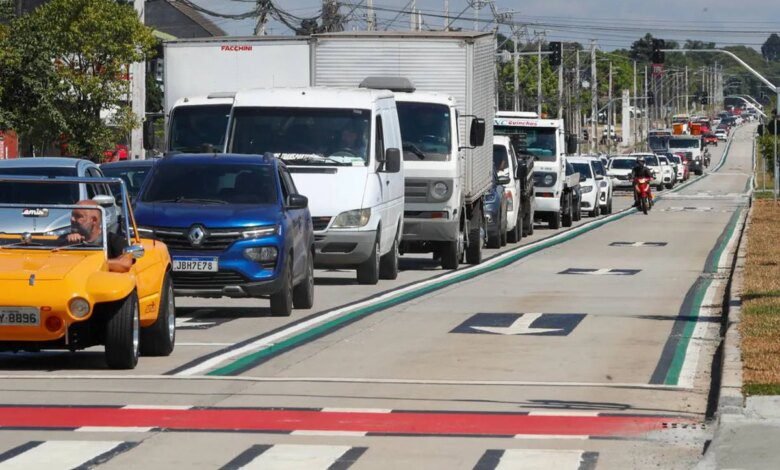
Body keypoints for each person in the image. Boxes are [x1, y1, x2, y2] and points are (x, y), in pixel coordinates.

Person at [63, 200, 133, 273]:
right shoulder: (65, 239)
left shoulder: (114, 240)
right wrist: (69, 245)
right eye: (72, 215)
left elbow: (125, 264)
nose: (72, 219)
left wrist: (89, 263)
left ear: (94, 220)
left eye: (78, 216)